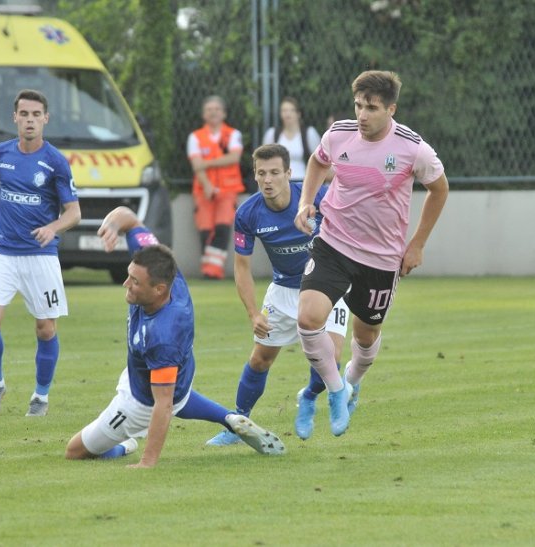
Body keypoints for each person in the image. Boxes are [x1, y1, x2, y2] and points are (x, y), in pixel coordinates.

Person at [65, 206, 285, 467]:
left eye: (134, 282)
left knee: (75, 451)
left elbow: (164, 404)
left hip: (140, 402)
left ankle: (125, 444)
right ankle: (229, 418)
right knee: (177, 392)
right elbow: (130, 218)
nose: (126, 284)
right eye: (129, 276)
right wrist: (113, 225)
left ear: (158, 290)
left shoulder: (163, 336)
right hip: (163, 373)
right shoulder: (165, 271)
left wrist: (147, 461)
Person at [294, 70, 449, 436]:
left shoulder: (413, 148)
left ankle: (352, 379)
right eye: (358, 105)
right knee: (308, 317)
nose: (362, 115)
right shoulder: (339, 134)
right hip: (334, 241)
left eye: (372, 108)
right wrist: (305, 202)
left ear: (391, 109)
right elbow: (318, 162)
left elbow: (439, 190)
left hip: (381, 258)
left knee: (365, 337)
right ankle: (334, 390)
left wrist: (418, 243)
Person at [205, 144, 349, 446]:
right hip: (283, 291)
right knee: (260, 359)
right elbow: (241, 267)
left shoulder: (316, 198)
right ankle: (237, 424)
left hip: (326, 286)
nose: (267, 180)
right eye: (261, 174)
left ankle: (308, 396)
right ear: (254, 176)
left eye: (274, 173)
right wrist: (253, 313)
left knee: (331, 356)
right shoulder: (248, 213)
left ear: (288, 173)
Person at [0, 89, 81, 418]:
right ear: (15, 118)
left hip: (41, 256)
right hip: (2, 252)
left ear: (45, 119)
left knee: (45, 328)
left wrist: (53, 228)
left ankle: (41, 396)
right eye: (24, 114)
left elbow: (73, 212)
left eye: (36, 115)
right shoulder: (0, 153)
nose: (30, 120)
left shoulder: (56, 161)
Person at [186, 95, 245, 280]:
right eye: (209, 109)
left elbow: (234, 158)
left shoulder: (233, 134)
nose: (213, 112)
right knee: (205, 231)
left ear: (224, 113)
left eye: (217, 109)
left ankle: (212, 271)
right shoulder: (195, 137)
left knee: (222, 228)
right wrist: (207, 184)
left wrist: (207, 163)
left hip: (228, 190)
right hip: (203, 191)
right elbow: (197, 165)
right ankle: (210, 269)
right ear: (204, 114)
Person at [262, 97, 321, 181]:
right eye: (284, 111)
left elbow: (319, 160)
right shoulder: (272, 134)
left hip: (303, 181)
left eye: (291, 110)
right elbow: (264, 161)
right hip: (278, 181)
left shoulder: (309, 133)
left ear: (298, 114)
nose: (287, 114)